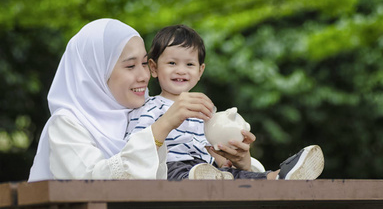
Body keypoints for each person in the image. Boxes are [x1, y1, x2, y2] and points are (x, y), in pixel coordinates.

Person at [126, 24, 324, 180]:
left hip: (207, 169)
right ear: (153, 68)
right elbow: (136, 147)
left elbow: (212, 151)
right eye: (171, 63)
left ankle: (280, 177)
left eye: (189, 64)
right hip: (170, 169)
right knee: (185, 173)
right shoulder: (147, 107)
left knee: (235, 176)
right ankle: (206, 179)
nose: (181, 70)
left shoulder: (205, 111)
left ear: (200, 71)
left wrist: (229, 157)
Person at [28, 19, 214, 182]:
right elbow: (93, 183)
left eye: (143, 63)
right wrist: (161, 127)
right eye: (131, 66)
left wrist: (235, 159)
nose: (144, 75)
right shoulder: (67, 125)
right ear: (98, 72)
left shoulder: (146, 109)